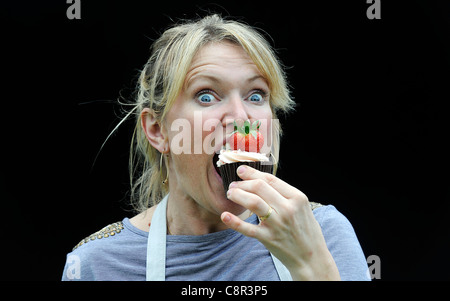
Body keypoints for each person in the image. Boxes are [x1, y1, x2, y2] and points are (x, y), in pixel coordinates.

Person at [62, 14, 370, 281]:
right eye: (206, 96)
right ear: (157, 130)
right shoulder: (97, 264)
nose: (241, 117)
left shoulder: (323, 234)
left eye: (256, 95)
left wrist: (311, 268)